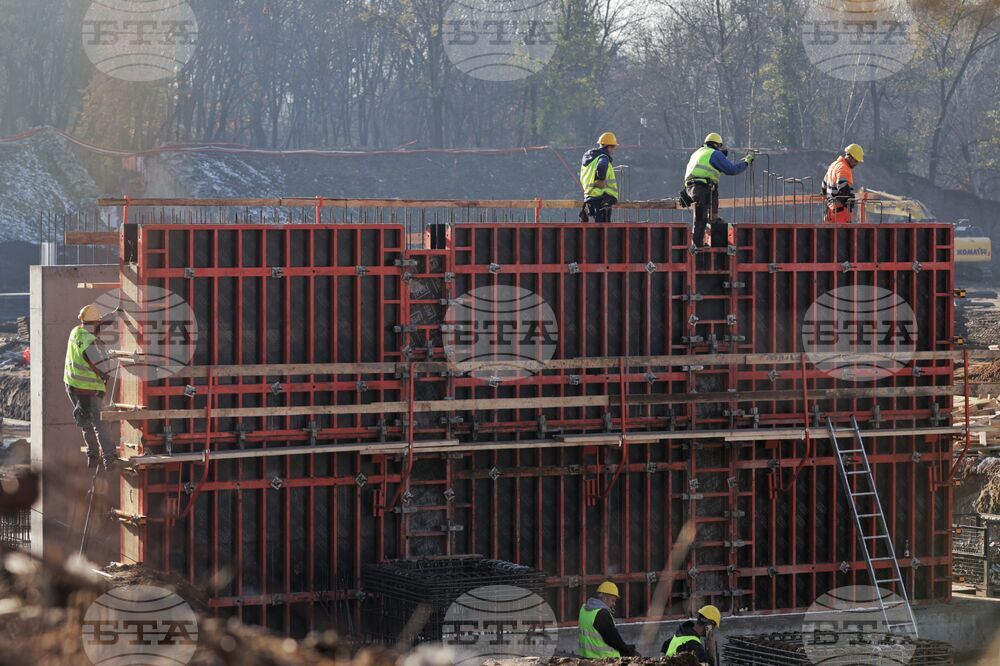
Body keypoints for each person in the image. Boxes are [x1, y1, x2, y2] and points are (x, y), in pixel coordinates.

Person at [64, 304, 116, 470]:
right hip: (88, 389)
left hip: (71, 385)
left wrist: (115, 314)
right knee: (99, 423)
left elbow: (96, 324)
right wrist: (106, 375)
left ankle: (93, 457)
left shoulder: (76, 332)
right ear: (94, 324)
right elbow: (99, 366)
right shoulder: (90, 343)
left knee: (85, 421)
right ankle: (109, 458)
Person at [683, 133, 754, 249]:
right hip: (702, 188)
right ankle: (697, 246)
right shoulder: (714, 154)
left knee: (702, 210)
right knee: (701, 218)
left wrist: (721, 157)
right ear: (717, 144)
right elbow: (732, 170)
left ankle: (713, 218)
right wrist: (746, 162)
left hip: (690, 188)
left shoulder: (697, 153)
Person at [577, 580, 638, 658]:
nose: (614, 604)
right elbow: (613, 639)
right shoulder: (602, 614)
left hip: (586, 655)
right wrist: (627, 649)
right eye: (613, 600)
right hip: (604, 657)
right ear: (605, 598)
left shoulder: (584, 608)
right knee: (636, 656)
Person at [580, 132, 619, 223]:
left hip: (590, 197)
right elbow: (601, 167)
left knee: (597, 229)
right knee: (603, 229)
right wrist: (600, 179)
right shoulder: (603, 157)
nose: (614, 150)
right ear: (608, 146)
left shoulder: (590, 158)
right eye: (614, 147)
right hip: (602, 199)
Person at [822, 144, 864, 223]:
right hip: (841, 214)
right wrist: (850, 202)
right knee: (841, 235)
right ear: (850, 157)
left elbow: (824, 186)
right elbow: (843, 189)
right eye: (856, 160)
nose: (857, 163)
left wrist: (829, 202)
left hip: (831, 212)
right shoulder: (843, 168)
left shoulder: (833, 165)